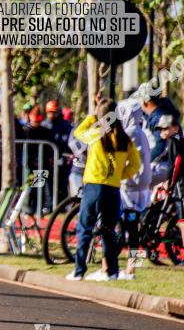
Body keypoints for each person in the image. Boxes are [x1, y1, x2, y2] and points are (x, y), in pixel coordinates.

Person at [67, 95, 141, 282]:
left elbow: (78, 133)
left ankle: (78, 271)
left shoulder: (96, 135)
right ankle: (112, 272)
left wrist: (93, 115)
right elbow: (135, 165)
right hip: (113, 189)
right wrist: (119, 175)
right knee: (109, 232)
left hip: (94, 187)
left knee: (85, 229)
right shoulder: (125, 140)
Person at [117, 100, 151, 280]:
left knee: (130, 228)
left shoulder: (129, 133)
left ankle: (131, 269)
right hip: (142, 186)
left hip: (130, 185)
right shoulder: (142, 133)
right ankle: (133, 268)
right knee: (134, 228)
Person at [23, 106, 54, 213]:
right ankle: (31, 207)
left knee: (40, 187)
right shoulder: (26, 131)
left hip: (43, 163)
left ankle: (38, 208)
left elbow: (49, 148)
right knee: (32, 187)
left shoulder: (46, 131)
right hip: (30, 164)